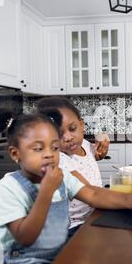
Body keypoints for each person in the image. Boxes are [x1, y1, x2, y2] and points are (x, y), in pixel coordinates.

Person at [0, 107, 132, 264]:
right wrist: (46, 192)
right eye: (38, 149)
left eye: (55, 148)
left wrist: (128, 199)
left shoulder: (62, 176)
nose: (49, 155)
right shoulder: (7, 188)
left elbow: (92, 194)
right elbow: (25, 237)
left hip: (58, 253)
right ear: (15, 154)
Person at [36, 96, 107, 237]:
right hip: (72, 227)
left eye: (72, 128)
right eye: (59, 134)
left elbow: (96, 156)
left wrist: (103, 142)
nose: (68, 137)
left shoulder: (85, 144)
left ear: (81, 125)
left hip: (92, 214)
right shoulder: (60, 160)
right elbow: (90, 192)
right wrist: (126, 198)